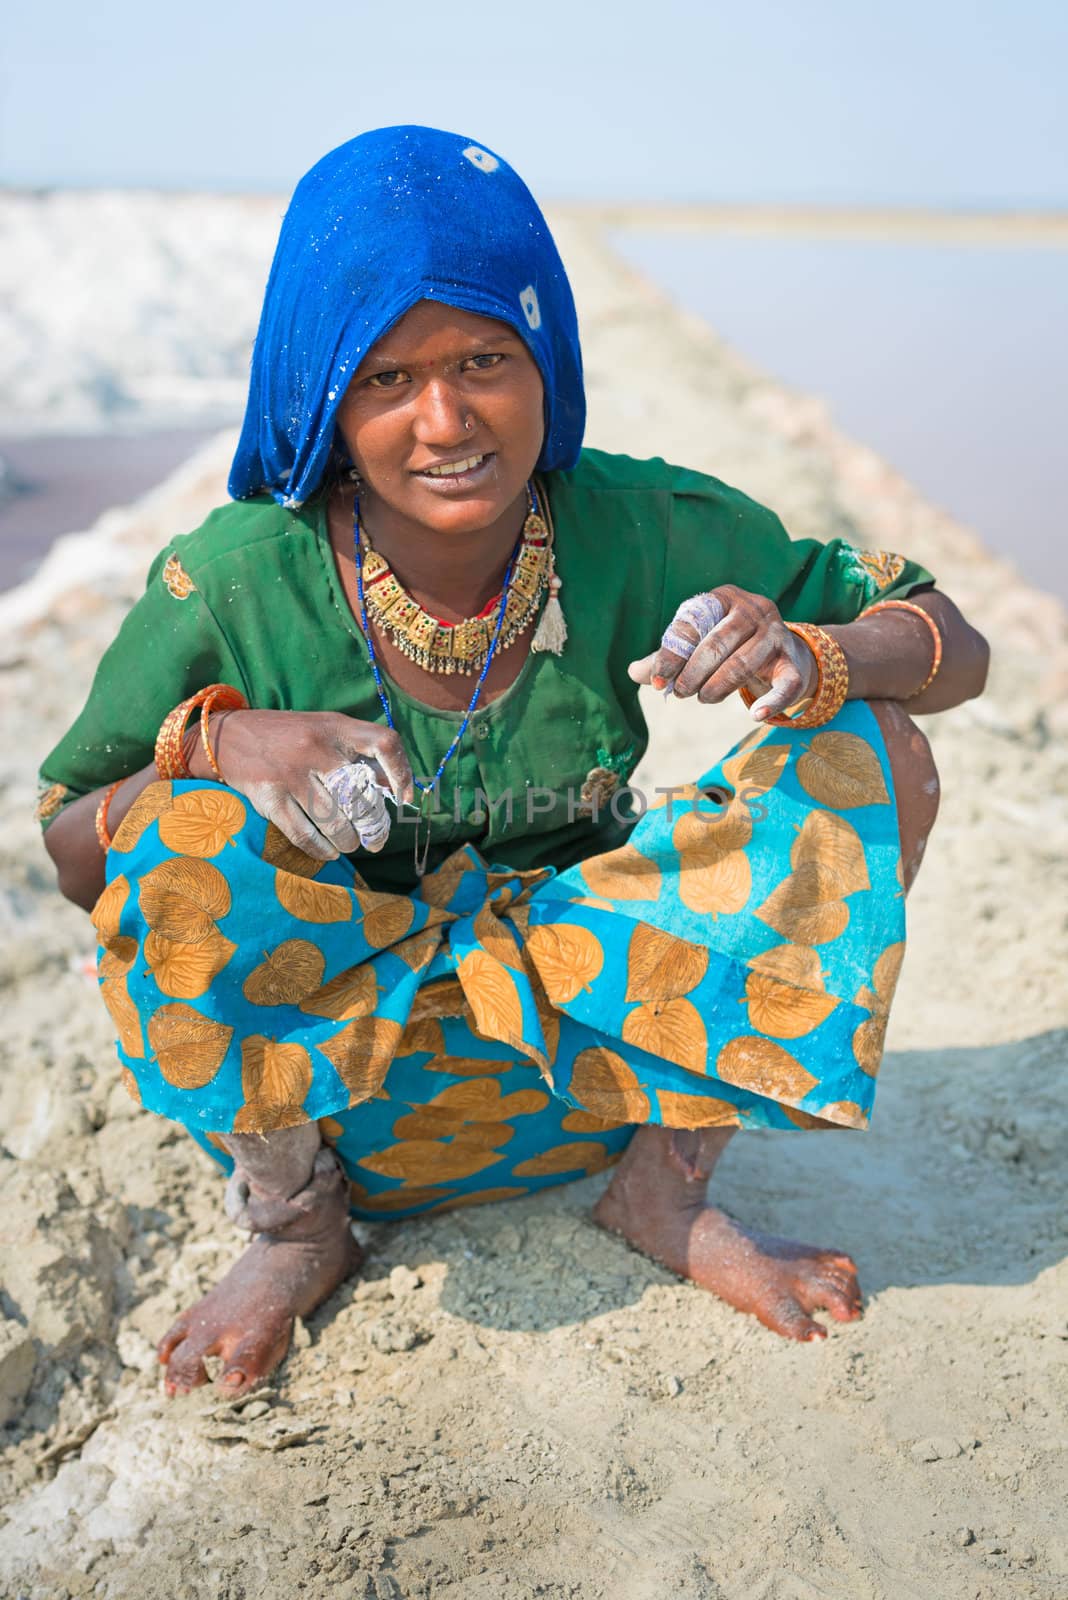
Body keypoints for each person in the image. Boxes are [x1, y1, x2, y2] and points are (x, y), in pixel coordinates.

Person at [37, 125, 989, 1398]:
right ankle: (294, 1230)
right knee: (178, 836)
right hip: (357, 1083)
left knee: (874, 747)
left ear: (548, 357)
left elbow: (947, 642)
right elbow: (68, 843)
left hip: (596, 1057)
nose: (447, 420)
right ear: (319, 396)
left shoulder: (641, 524)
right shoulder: (230, 583)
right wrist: (216, 742)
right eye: (385, 377)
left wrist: (811, 651)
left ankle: (665, 1195)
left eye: (485, 357)